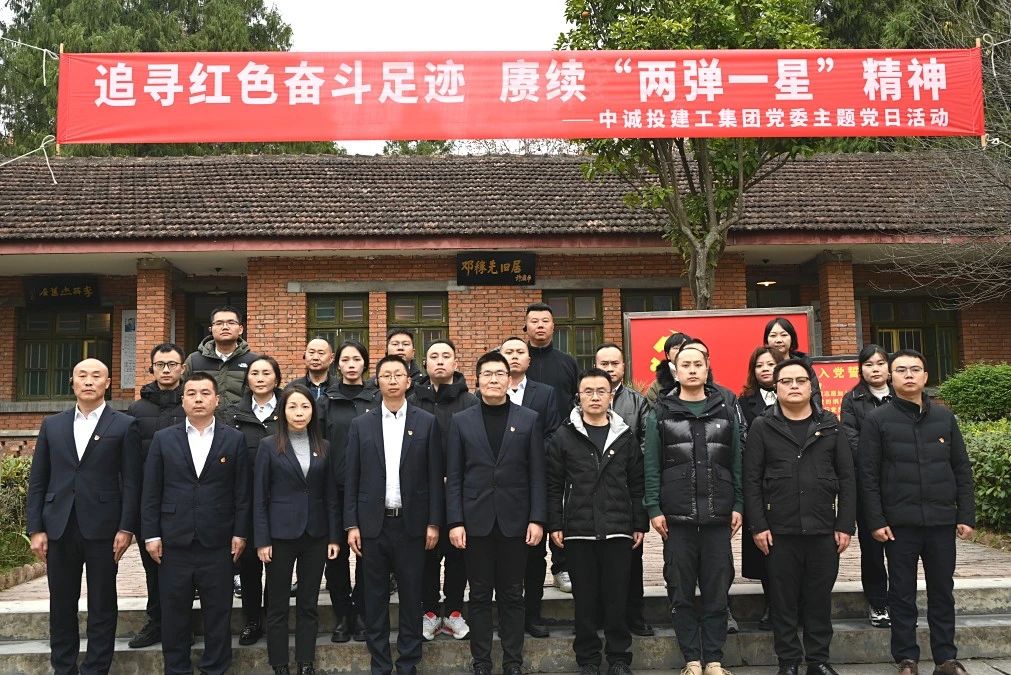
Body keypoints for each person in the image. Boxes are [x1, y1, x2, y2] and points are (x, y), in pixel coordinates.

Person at [859, 349, 975, 675]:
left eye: (915, 369)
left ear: (925, 376)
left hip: (940, 521)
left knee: (942, 591)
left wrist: (965, 515)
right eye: (901, 370)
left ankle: (945, 658)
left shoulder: (944, 418)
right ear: (890, 377)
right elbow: (867, 476)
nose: (908, 375)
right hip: (899, 524)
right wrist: (876, 520)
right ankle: (906, 659)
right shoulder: (877, 420)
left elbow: (961, 468)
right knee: (901, 593)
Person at [27, 358, 141, 675]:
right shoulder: (52, 425)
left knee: (102, 602)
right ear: (73, 382)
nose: (88, 381)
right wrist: (36, 528)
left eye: (96, 376)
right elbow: (38, 480)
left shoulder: (124, 425)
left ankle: (96, 667)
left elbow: (132, 482)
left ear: (108, 383)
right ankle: (64, 667)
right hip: (59, 525)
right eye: (82, 375)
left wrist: (126, 527)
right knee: (61, 602)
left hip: (104, 527)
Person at [743, 358, 856, 675]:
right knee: (783, 601)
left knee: (819, 598)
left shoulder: (829, 424)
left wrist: (845, 524)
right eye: (786, 381)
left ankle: (818, 660)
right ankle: (789, 661)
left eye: (800, 380)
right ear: (776, 387)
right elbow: (751, 480)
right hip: (779, 531)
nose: (794, 386)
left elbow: (848, 478)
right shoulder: (763, 426)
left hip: (823, 529)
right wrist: (758, 526)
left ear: (811, 386)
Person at [142, 371, 250, 675]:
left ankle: (214, 668)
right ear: (183, 400)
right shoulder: (164, 439)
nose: (198, 399)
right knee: (174, 613)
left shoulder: (234, 439)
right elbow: (151, 491)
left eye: (205, 393)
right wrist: (151, 534)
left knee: (218, 612)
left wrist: (241, 532)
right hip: (173, 541)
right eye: (191, 393)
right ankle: (176, 668)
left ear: (217, 400)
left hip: (218, 541)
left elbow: (242, 493)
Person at [644, 342, 742, 675]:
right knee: (680, 590)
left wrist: (738, 503)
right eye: (685, 365)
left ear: (707, 366)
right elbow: (652, 464)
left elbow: (736, 461)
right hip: (677, 518)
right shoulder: (662, 411)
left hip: (717, 516)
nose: (692, 370)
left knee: (717, 590)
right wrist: (654, 508)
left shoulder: (724, 408)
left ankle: (713, 659)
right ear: (675, 371)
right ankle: (692, 660)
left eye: (697, 364)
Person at [446, 351, 546, 675]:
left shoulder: (529, 419)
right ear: (477, 379)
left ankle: (513, 662)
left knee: (513, 594)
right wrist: (455, 521)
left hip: (515, 521)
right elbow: (454, 476)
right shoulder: (461, 421)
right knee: (478, 595)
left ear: (509, 379)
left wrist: (537, 518)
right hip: (475, 522)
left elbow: (537, 474)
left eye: (499, 374)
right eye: (487, 374)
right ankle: (482, 661)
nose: (493, 379)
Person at [344, 354, 444, 675]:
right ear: (377, 381)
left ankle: (408, 662)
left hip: (412, 525)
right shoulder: (361, 425)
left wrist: (434, 522)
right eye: (385, 375)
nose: (392, 380)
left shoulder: (426, 422)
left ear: (408, 381)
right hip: (373, 526)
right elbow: (352, 479)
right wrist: (351, 524)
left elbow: (435, 477)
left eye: (397, 374)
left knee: (412, 597)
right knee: (375, 600)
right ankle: (380, 664)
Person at [548, 367, 646, 675]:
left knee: (617, 599)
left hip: (618, 530)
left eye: (600, 391)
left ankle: (619, 659)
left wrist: (638, 523)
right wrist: (555, 523)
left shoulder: (625, 436)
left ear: (610, 396)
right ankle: (588, 660)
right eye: (588, 391)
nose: (594, 397)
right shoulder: (564, 436)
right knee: (585, 601)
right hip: (579, 531)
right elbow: (553, 485)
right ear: (578, 396)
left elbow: (637, 483)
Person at [254, 385, 341, 675]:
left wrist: (334, 537)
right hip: (279, 536)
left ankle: (306, 661)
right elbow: (259, 497)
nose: (299, 412)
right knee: (277, 605)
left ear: (313, 411)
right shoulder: (268, 446)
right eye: (293, 407)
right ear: (282, 412)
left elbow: (331, 496)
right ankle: (279, 663)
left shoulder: (324, 446)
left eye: (305, 406)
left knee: (308, 603)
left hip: (316, 535)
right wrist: (262, 539)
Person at [408, 338, 479, 641]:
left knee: (457, 553)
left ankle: (454, 612)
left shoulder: (470, 402)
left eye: (446, 356)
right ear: (425, 364)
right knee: (426, 552)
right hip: (422, 491)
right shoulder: (413, 400)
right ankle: (429, 612)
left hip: (459, 491)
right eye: (434, 356)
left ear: (455, 363)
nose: (439, 361)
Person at [500, 336, 562, 636]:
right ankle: (506, 614)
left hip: (534, 482)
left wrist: (527, 453)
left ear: (529, 359)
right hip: (499, 487)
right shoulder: (486, 392)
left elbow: (553, 433)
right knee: (502, 554)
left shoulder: (545, 393)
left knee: (535, 555)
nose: (514, 356)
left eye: (519, 352)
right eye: (508, 352)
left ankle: (533, 615)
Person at [127, 342, 187, 649]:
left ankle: (182, 625)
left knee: (183, 569)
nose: (166, 370)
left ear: (182, 368)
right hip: (148, 503)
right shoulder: (137, 411)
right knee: (153, 566)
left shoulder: (192, 404)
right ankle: (156, 621)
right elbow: (129, 463)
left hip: (185, 503)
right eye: (160, 364)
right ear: (151, 368)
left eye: (172, 364)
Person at [319, 339, 379, 643]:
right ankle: (343, 614)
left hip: (370, 489)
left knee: (368, 554)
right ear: (337, 364)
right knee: (336, 554)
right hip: (334, 488)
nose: (351, 365)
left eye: (357, 359)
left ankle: (362, 612)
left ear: (364, 363)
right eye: (345, 359)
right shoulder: (326, 401)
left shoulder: (376, 399)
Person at [224, 355, 284, 646]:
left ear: (277, 378)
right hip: (246, 502)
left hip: (281, 502)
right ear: (247, 380)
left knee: (277, 565)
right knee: (248, 565)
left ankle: (273, 619)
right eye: (255, 373)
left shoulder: (290, 410)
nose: (260, 378)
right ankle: (251, 620)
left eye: (266, 373)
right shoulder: (233, 414)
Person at [594, 342, 653, 637]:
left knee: (632, 557)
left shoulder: (638, 403)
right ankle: (601, 617)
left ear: (623, 367)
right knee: (597, 560)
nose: (609, 368)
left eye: (614, 363)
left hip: (627, 489)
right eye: (603, 363)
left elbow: (647, 442)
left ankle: (634, 615)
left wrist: (620, 463)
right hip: (593, 492)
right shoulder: (582, 399)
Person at [840, 344, 895, 629]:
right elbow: (851, 438)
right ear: (861, 369)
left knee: (901, 549)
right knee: (872, 549)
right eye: (869, 364)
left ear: (889, 367)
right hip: (868, 484)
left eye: (880, 363)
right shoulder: (852, 400)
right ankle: (878, 602)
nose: (875, 369)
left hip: (901, 485)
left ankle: (900, 601)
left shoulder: (901, 396)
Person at [737, 345, 778, 631]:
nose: (765, 369)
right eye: (759, 365)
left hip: (791, 481)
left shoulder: (798, 396)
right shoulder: (744, 402)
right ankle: (771, 604)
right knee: (765, 548)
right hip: (760, 483)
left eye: (771, 364)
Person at [182, 306, 260, 414]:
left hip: (244, 420)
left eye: (231, 323)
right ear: (211, 329)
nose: (225, 327)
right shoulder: (194, 360)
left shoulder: (254, 361)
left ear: (241, 329)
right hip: (204, 420)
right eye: (219, 323)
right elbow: (181, 391)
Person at [524, 302, 579, 421]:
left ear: (553, 326)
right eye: (534, 321)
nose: (540, 325)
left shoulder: (568, 362)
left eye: (545, 321)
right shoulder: (517, 363)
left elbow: (578, 399)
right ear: (526, 327)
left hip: (562, 430)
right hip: (523, 430)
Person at [762, 317, 821, 407]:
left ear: (792, 338)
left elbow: (815, 399)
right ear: (767, 340)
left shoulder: (804, 365)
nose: (778, 340)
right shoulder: (762, 366)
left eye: (784, 335)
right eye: (773, 336)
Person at [645, 332, 690, 406]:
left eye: (684, 347)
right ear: (668, 355)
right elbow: (651, 410)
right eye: (676, 348)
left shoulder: (703, 380)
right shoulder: (656, 386)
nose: (680, 351)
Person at [290, 337, 335, 402]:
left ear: (331, 358)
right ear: (305, 355)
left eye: (321, 353)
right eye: (311, 352)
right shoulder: (293, 387)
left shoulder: (339, 387)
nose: (315, 358)